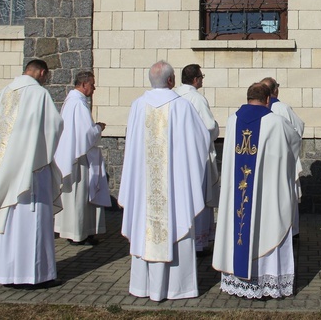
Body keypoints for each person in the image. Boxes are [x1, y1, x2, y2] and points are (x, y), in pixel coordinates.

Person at [118, 60, 209, 301]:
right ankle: (176, 288)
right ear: (171, 81)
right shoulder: (183, 107)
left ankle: (143, 287)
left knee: (144, 228)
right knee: (176, 224)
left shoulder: (137, 106)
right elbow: (201, 142)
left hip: (145, 190)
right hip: (174, 190)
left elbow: (131, 149)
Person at [0, 59, 64, 288]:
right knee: (31, 224)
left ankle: (6, 273)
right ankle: (33, 276)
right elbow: (54, 127)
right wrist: (40, 153)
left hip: (3, 170)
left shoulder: (5, 92)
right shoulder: (38, 94)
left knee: (7, 222)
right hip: (31, 171)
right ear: (42, 72)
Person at [213, 82, 302, 299]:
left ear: (248, 98)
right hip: (265, 195)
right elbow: (294, 143)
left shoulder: (232, 121)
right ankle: (266, 282)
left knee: (240, 226)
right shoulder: (276, 122)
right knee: (266, 226)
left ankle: (239, 280)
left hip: (238, 193)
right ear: (268, 100)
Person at [54, 71, 111, 246]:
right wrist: (98, 128)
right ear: (84, 84)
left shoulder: (72, 101)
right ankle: (79, 234)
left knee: (75, 197)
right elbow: (87, 134)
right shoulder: (78, 103)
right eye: (92, 85)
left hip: (72, 155)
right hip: (79, 159)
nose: (94, 88)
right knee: (80, 197)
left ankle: (76, 231)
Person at [174, 63, 220, 255]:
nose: (201, 80)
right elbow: (209, 127)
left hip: (176, 156)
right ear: (195, 79)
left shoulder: (174, 95)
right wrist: (216, 127)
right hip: (195, 158)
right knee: (198, 197)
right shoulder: (196, 98)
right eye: (201, 76)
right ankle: (199, 243)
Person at [260, 77, 304, 236]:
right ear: (275, 90)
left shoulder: (256, 109)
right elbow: (298, 130)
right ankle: (291, 231)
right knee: (287, 194)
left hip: (264, 160)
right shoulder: (283, 108)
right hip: (284, 159)